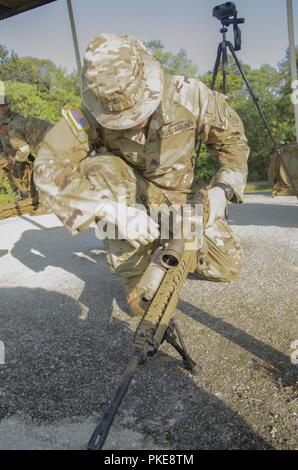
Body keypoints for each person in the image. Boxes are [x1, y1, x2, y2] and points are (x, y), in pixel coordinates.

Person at [34, 34, 250, 316]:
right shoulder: (89, 113)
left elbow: (232, 140)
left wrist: (223, 189)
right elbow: (47, 166)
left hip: (183, 197)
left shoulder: (190, 95)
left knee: (226, 267)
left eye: (138, 112)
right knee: (97, 169)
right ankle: (133, 264)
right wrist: (110, 210)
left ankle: (163, 237)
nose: (132, 124)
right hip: (130, 199)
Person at [0, 100, 51, 201]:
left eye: (3, 106)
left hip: (23, 155)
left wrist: (15, 159)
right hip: (10, 156)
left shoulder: (16, 120)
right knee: (16, 181)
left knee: (34, 175)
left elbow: (24, 146)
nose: (2, 108)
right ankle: (23, 198)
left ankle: (38, 199)